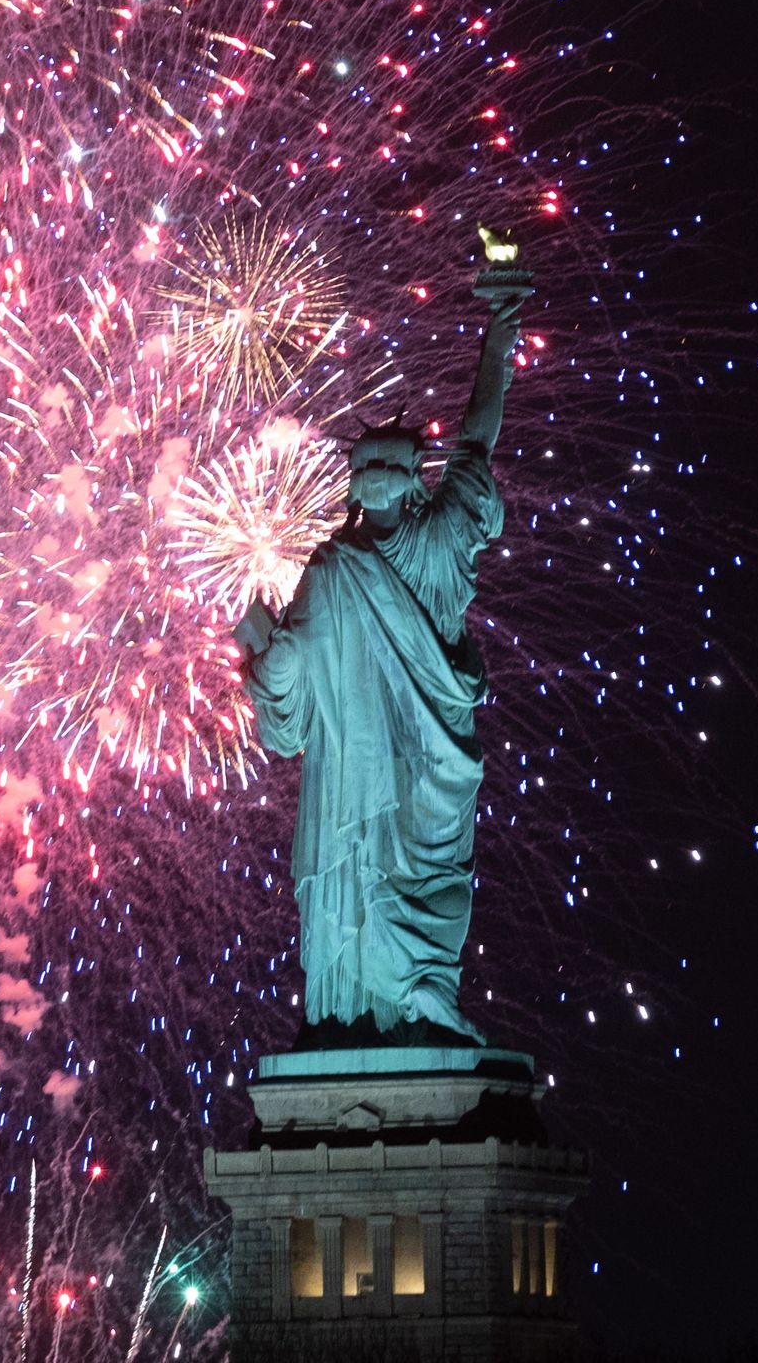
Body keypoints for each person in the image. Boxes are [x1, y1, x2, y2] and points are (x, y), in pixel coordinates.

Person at [234, 298, 523, 1045]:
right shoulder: (330, 570)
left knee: (437, 884)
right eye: (363, 465)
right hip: (353, 777)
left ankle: (420, 996)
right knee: (359, 878)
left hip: (429, 766)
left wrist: (499, 334)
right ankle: (362, 1015)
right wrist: (271, 665)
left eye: (388, 465)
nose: (373, 475)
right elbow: (289, 703)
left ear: (411, 477)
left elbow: (478, 443)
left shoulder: (436, 541)